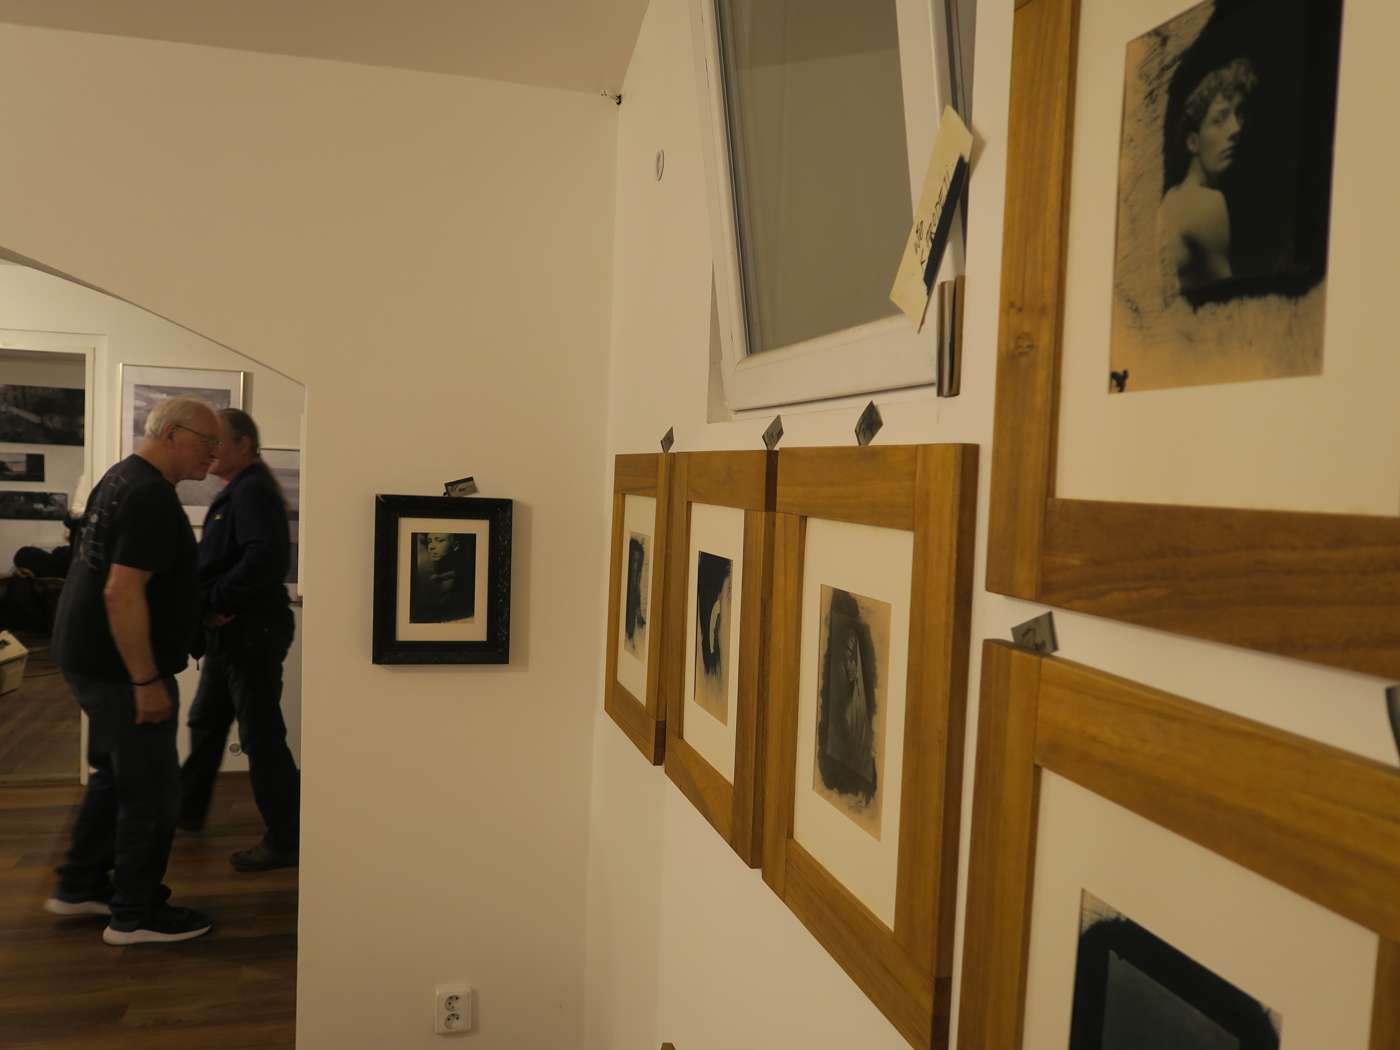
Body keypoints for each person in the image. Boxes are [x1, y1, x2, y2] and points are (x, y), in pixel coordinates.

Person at [44, 396, 219, 945]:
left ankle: (80, 885)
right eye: (207, 443)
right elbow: (121, 591)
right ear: (172, 434)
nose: (213, 456)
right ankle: (135, 913)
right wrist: (145, 680)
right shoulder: (150, 496)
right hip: (120, 669)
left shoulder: (120, 478)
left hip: (88, 655)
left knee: (115, 775)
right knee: (152, 791)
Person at [178, 408, 299, 872]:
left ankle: (287, 837)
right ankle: (186, 810)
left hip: (250, 633)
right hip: (234, 634)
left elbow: (264, 558)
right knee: (207, 720)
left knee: (261, 736)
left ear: (244, 443)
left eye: (218, 442)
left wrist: (216, 601)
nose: (211, 450)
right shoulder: (242, 490)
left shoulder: (252, 491)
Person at [1156, 57, 1258, 298]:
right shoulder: (1208, 204)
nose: (1235, 129)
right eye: (1219, 119)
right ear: (1193, 142)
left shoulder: (1172, 196)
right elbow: (1230, 304)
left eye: (1238, 114)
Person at [408, 532, 474, 623]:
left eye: (439, 540)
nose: (431, 547)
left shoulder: (465, 580)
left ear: (455, 545)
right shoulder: (426, 577)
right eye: (429, 541)